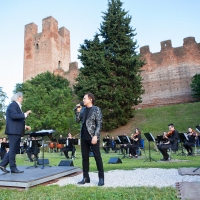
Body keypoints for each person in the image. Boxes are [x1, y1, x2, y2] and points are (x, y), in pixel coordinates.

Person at [75, 92, 104, 186]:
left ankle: (101, 178)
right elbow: (77, 120)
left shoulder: (96, 109)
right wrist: (78, 111)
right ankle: (86, 178)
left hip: (93, 137)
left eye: (84, 98)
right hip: (84, 137)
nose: (83, 100)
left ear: (90, 99)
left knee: (97, 157)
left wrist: (96, 135)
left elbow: (99, 124)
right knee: (85, 158)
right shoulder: (83, 110)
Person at [0, 92, 31, 173]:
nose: (22, 99)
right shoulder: (13, 105)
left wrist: (25, 127)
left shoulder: (16, 106)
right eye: (22, 98)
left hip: (16, 131)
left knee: (13, 150)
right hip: (13, 132)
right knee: (13, 150)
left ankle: (2, 164)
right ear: (18, 98)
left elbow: (16, 122)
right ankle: (13, 168)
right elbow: (14, 116)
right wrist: (25, 114)